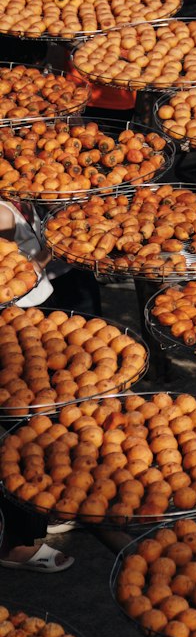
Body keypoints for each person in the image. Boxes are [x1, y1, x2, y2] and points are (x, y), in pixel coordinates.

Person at [0, 198, 75, 571]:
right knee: (22, 427)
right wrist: (47, 256)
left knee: (29, 421)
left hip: (22, 316)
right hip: (13, 316)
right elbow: (11, 273)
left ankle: (38, 514)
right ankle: (21, 542)